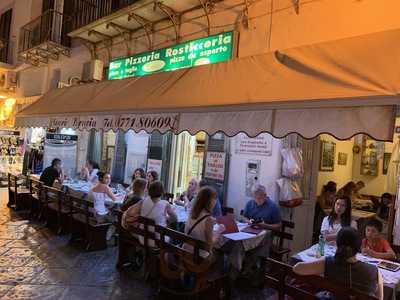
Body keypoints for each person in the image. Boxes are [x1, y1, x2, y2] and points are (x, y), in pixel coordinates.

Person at [293, 227, 383, 300]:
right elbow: (380, 298)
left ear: (337, 244)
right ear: (359, 247)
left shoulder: (328, 263)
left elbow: (297, 268)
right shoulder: (374, 271)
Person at [184, 186, 225, 258]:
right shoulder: (208, 219)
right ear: (209, 201)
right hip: (198, 258)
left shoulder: (192, 213)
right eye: (214, 199)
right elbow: (209, 245)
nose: (215, 201)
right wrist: (219, 231)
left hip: (185, 252)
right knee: (220, 255)